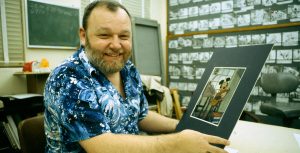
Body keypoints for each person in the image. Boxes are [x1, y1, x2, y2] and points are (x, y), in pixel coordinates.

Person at [43, 1, 230, 153]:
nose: (116, 45)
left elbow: (141, 115)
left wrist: (184, 126)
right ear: (84, 36)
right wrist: (175, 144)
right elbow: (101, 145)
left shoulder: (128, 69)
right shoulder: (68, 77)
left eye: (123, 36)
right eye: (105, 35)